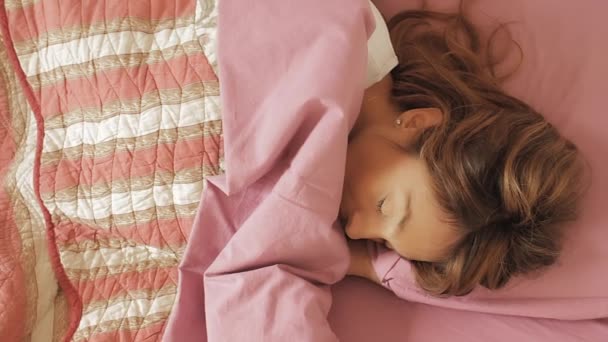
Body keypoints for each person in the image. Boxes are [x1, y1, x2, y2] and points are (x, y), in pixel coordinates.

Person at [341, 6, 585, 296]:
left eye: (384, 244)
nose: (354, 231)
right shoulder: (350, 35)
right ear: (416, 122)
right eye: (384, 206)